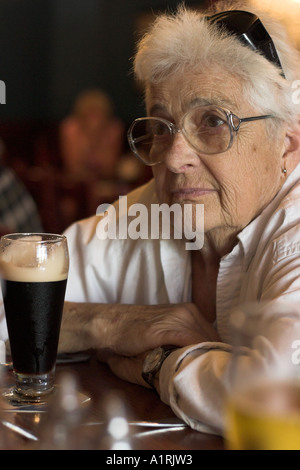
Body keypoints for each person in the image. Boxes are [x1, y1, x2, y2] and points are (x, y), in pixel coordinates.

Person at [28, 0, 300, 435]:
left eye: (212, 120)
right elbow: (14, 301)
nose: (173, 159)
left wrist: (156, 363)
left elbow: (279, 396)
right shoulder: (151, 208)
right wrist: (111, 322)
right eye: (160, 127)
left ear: (286, 144)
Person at [59, 89, 125, 179]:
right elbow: (73, 167)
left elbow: (110, 168)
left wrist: (98, 139)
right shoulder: (70, 128)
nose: (94, 120)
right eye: (90, 113)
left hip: (106, 182)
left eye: (97, 114)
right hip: (77, 182)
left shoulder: (114, 129)